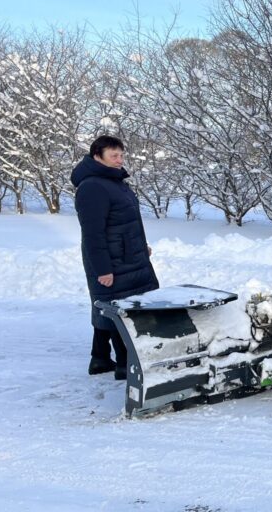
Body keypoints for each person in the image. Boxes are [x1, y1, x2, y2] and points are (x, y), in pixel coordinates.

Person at [71, 135, 160, 380]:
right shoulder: (92, 187)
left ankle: (99, 358)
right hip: (111, 261)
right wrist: (102, 269)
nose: (120, 160)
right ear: (97, 156)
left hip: (128, 256)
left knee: (111, 306)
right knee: (120, 309)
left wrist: (141, 245)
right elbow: (93, 233)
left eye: (121, 155)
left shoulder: (114, 182)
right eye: (114, 155)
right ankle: (126, 364)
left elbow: (124, 222)